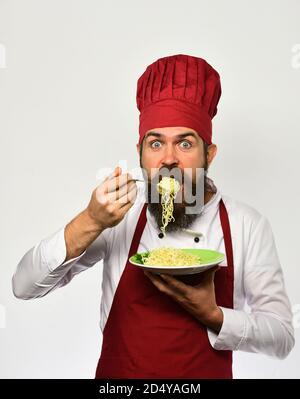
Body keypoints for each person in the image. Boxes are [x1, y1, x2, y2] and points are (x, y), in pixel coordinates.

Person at [12, 54, 295, 378]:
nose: (169, 159)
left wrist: (215, 315)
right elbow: (23, 286)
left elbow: (282, 337)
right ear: (140, 153)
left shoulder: (246, 224)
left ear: (209, 154)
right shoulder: (120, 217)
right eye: (156, 142)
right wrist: (90, 221)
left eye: (185, 143)